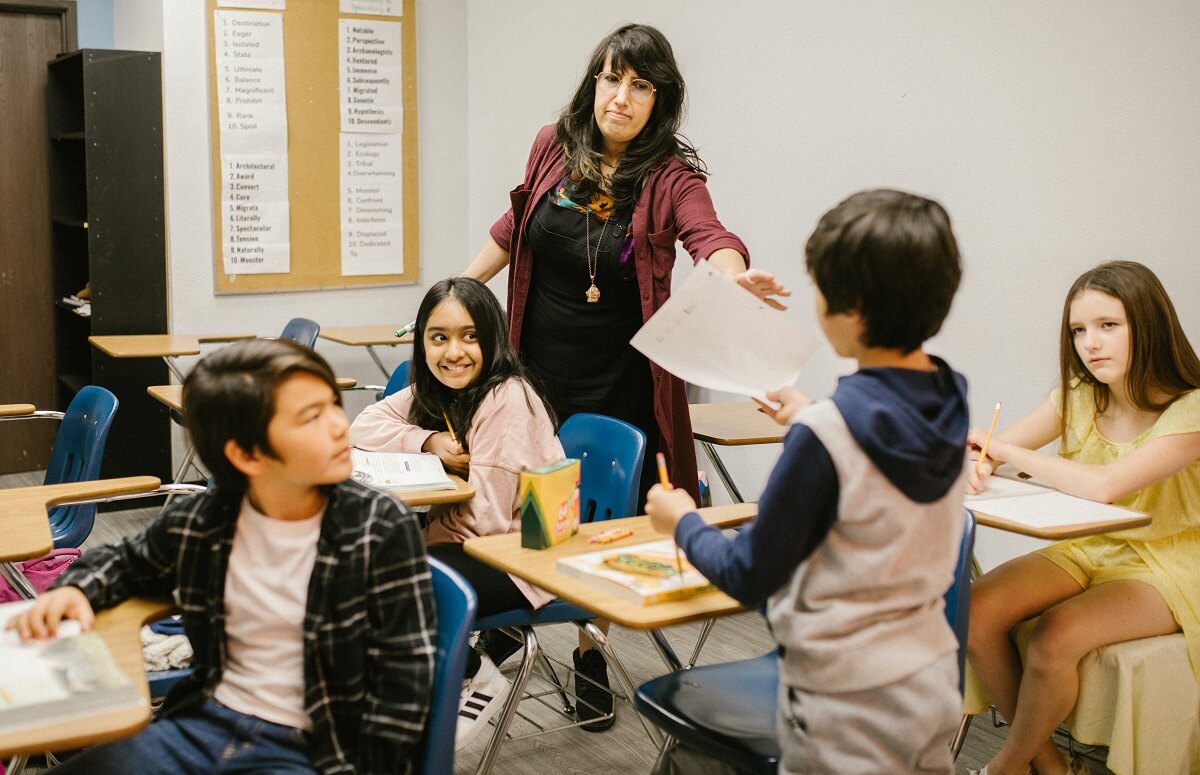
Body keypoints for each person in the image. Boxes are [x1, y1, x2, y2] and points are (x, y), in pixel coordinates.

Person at [459, 22, 788, 718]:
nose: (622, 96)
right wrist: (457, 296)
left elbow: (712, 236)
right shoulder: (553, 144)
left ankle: (587, 649)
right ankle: (511, 626)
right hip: (537, 370)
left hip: (622, 382)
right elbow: (514, 223)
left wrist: (732, 277)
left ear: (658, 100)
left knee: (601, 522)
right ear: (594, 82)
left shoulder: (670, 177)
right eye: (613, 78)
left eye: (641, 85)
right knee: (523, 506)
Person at [646, 189, 969, 775]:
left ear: (851, 309)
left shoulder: (827, 435)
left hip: (841, 701)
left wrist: (681, 521)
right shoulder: (948, 396)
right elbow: (877, 459)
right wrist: (810, 413)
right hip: (929, 678)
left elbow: (749, 574)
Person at [6, 339, 437, 774]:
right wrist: (78, 589)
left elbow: (405, 683)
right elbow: (126, 560)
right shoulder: (207, 520)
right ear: (246, 454)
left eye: (332, 406)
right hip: (204, 723)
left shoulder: (377, 526)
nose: (339, 426)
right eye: (311, 418)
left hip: (317, 750)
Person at [964, 260, 1200, 775]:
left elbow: (1107, 487)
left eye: (1108, 326)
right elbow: (989, 451)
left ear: (1149, 324)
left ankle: (1003, 767)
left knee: (1056, 635)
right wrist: (976, 463)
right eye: (1078, 330)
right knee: (976, 608)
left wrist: (1004, 449)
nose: (1090, 343)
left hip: (1166, 560)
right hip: (1090, 546)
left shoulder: (1192, 409)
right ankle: (1049, 768)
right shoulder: (1078, 395)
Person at [349, 276, 564, 749]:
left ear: (492, 338)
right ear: (422, 341)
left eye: (470, 336)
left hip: (519, 553)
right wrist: (426, 441)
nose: (454, 352)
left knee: (384, 580)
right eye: (439, 337)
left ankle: (475, 675)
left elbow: (486, 519)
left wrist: (415, 545)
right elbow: (364, 424)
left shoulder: (507, 397)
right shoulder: (436, 387)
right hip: (474, 541)